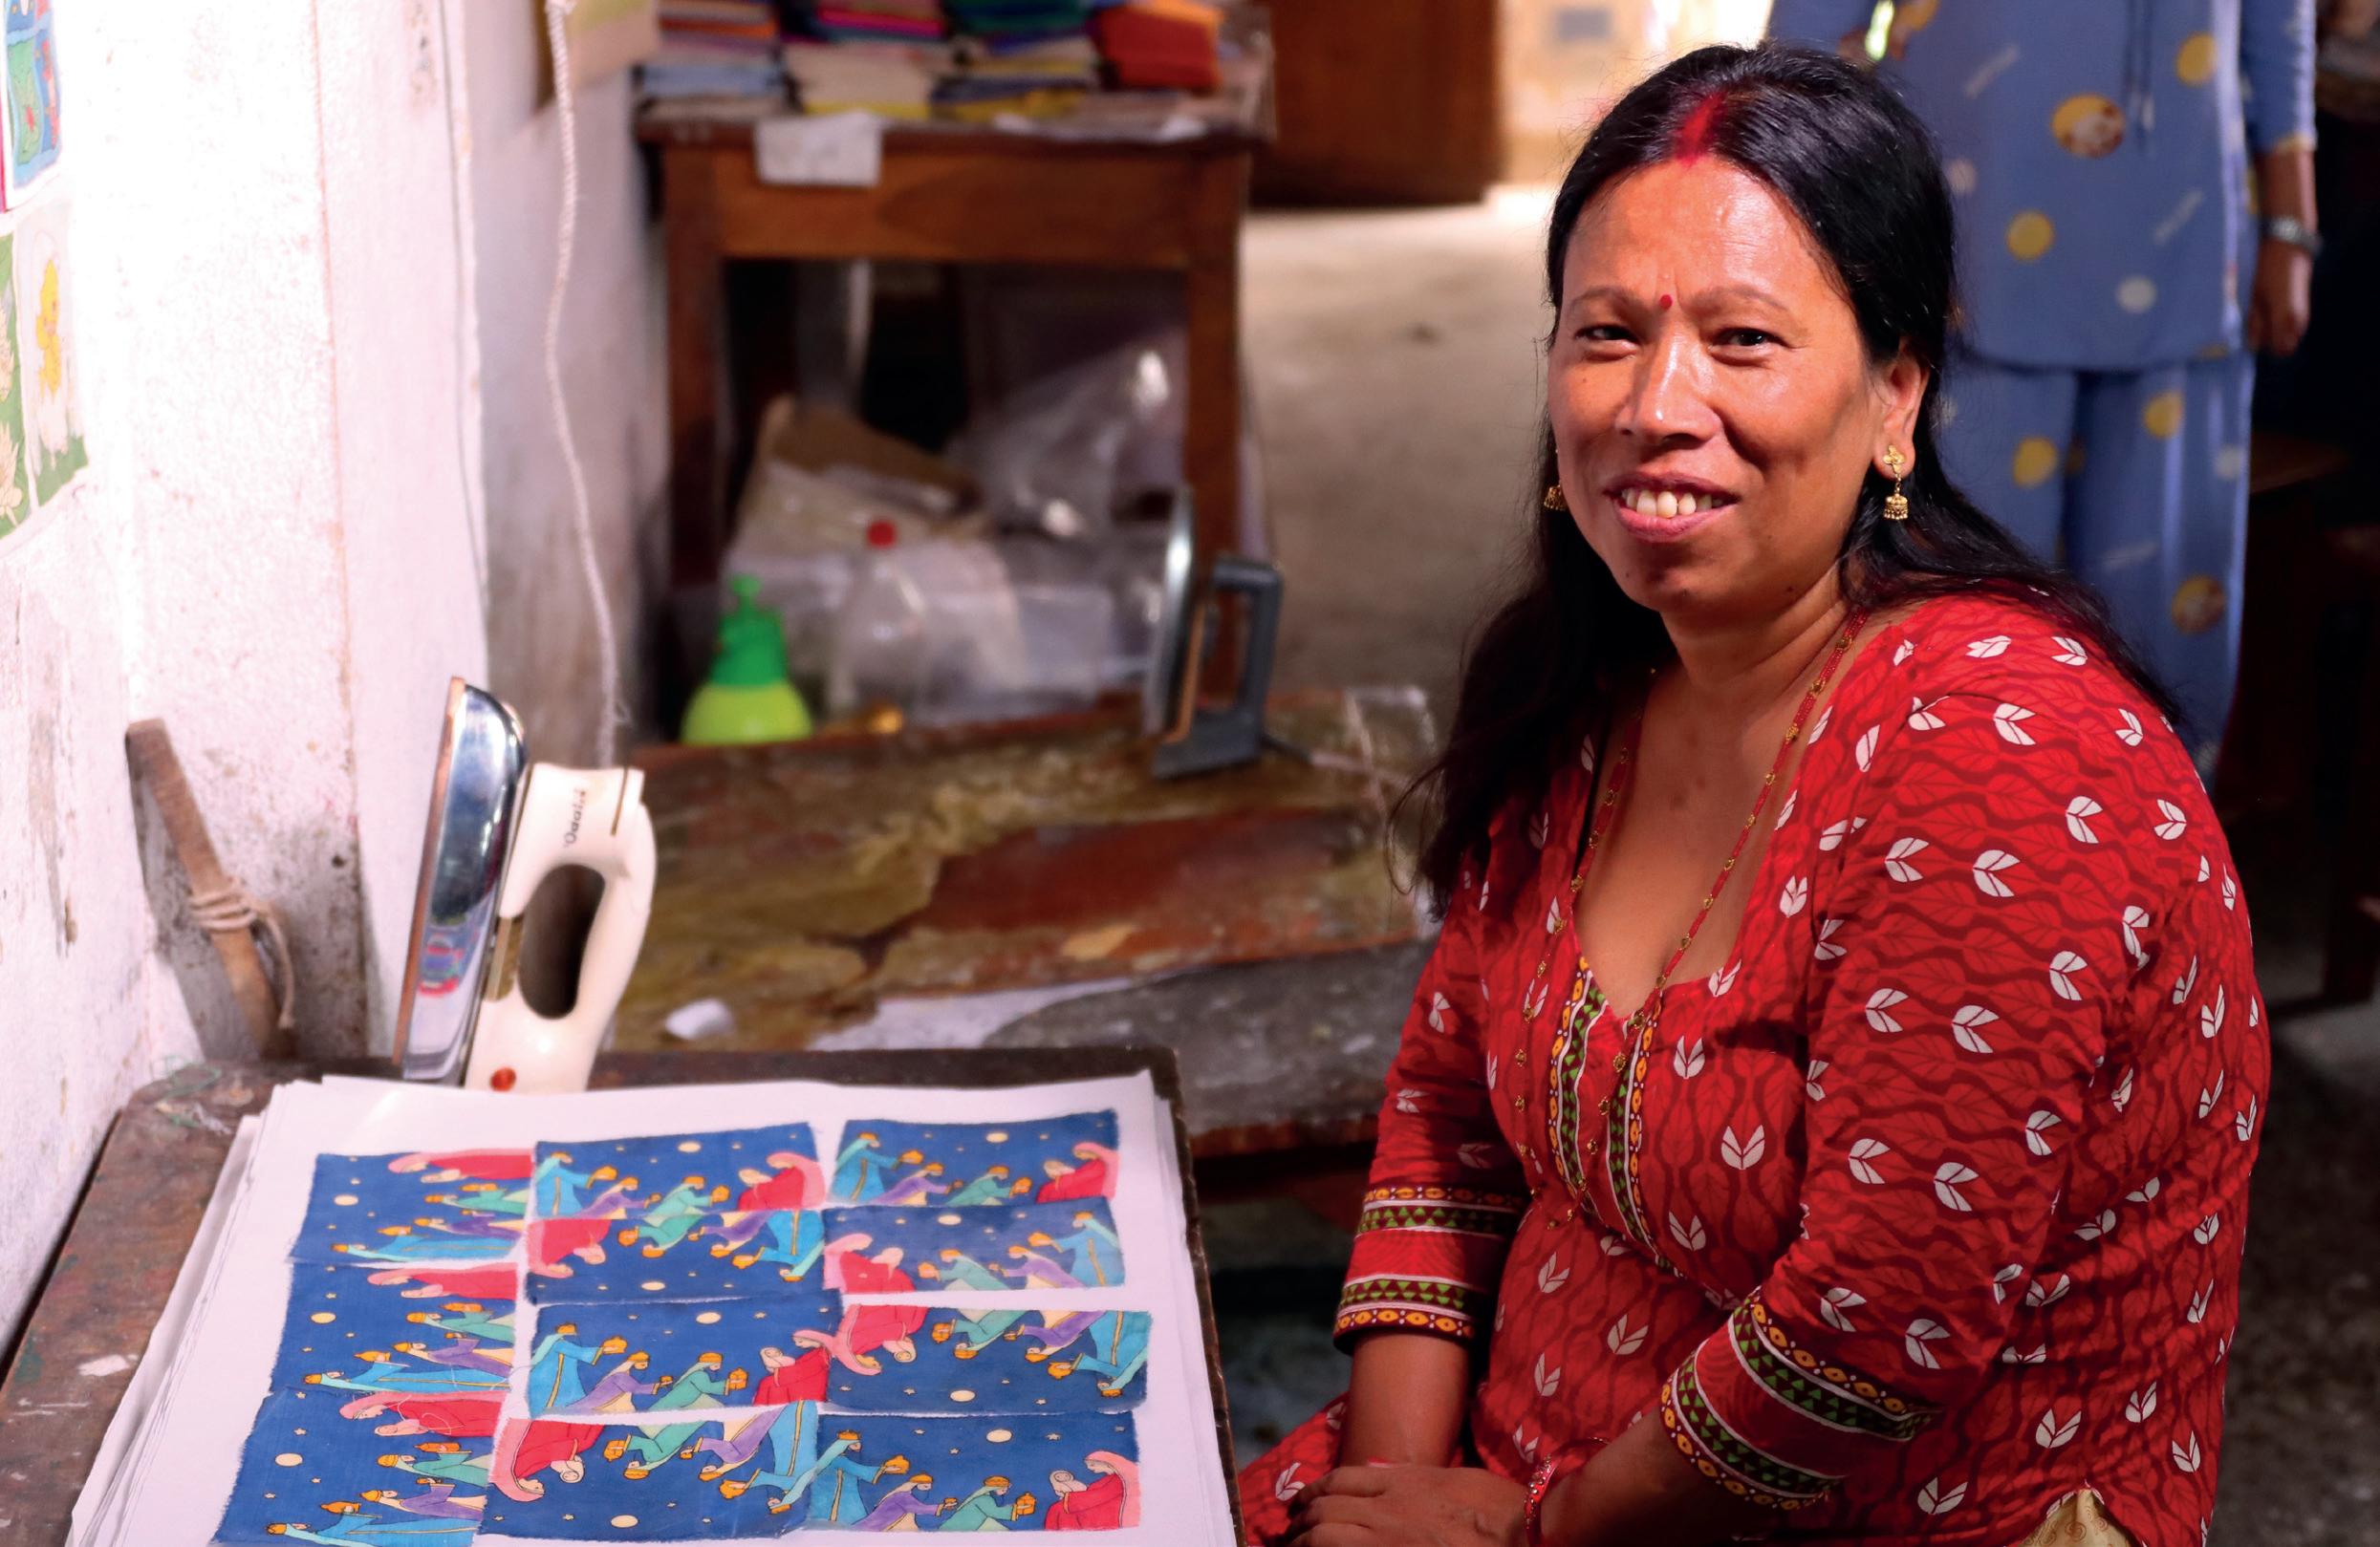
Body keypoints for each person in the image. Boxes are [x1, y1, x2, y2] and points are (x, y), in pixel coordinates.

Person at [1241, 43, 2265, 1547]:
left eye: (1741, 340)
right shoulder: (1586, 687)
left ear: (1895, 394)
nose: (1658, 403)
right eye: (1605, 333)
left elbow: (1878, 1322)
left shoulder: (2001, 753)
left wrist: (1529, 1533)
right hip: (1500, 1473)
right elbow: (1447, 1121)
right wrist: (1386, 1495)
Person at [1766, 1, 2319, 768]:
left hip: (2187, 253)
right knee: (1954, 632)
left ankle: (2152, 841)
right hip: (1965, 257)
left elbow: (2279, 19)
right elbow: (1811, 31)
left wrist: (2293, 225)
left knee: (2161, 648)